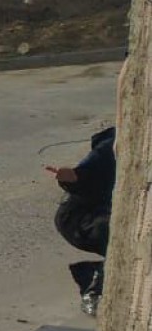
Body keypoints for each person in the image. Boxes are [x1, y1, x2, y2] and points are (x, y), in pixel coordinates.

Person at [48, 125, 116, 314]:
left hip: (107, 211)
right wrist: (72, 177)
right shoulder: (117, 143)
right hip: (81, 216)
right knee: (116, 231)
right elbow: (87, 173)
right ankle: (95, 289)